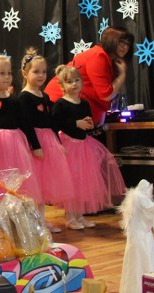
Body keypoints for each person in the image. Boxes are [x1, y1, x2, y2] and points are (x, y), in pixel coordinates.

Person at [52, 64, 125, 229]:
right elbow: (55, 124)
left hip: (84, 146)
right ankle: (70, 217)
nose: (74, 84)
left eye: (77, 80)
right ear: (62, 86)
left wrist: (89, 124)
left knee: (82, 183)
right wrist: (75, 123)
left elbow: (88, 122)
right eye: (69, 82)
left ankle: (79, 215)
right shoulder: (60, 104)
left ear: (82, 82)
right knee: (72, 182)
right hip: (69, 146)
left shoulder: (84, 103)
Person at [0, 49, 43, 202]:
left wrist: (36, 145)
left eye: (9, 73)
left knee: (17, 181)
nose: (7, 77)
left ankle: (16, 210)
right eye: (1, 73)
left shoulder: (14, 100)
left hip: (15, 146)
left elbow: (25, 123)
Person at [18, 48, 74, 233]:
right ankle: (37, 221)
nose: (41, 75)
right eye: (36, 71)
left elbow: (50, 122)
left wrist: (57, 143)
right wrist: (35, 146)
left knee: (43, 185)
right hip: (34, 142)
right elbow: (26, 124)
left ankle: (42, 219)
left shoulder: (45, 96)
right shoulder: (24, 97)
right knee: (34, 185)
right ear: (25, 73)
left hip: (48, 140)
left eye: (43, 71)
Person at [44, 26, 135, 127]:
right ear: (111, 40)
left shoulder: (106, 58)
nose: (125, 47)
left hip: (73, 109)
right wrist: (122, 75)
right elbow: (106, 95)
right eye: (121, 42)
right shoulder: (98, 55)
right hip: (62, 106)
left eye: (128, 44)